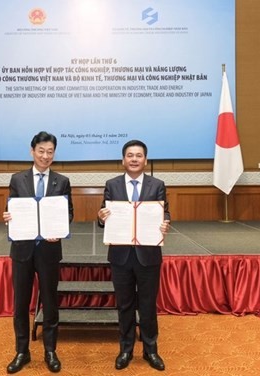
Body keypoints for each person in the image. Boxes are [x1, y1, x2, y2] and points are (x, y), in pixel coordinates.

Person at [3, 131, 74, 374]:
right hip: (22, 250)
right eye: (41, 151)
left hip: (49, 251)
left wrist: (60, 229)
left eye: (50, 151)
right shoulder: (17, 179)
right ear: (32, 151)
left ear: (54, 154)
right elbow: (10, 208)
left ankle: (50, 351)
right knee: (20, 304)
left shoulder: (62, 181)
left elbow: (69, 214)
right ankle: (22, 351)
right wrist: (8, 217)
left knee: (50, 302)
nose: (45, 156)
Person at [97, 140, 170, 371]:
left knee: (148, 306)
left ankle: (151, 350)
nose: (134, 159)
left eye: (139, 155)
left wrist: (166, 222)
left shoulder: (157, 184)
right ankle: (125, 349)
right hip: (120, 256)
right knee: (125, 306)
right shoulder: (112, 184)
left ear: (145, 160)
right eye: (130, 155)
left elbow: (164, 211)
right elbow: (103, 218)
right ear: (123, 160)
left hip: (148, 255)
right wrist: (101, 217)